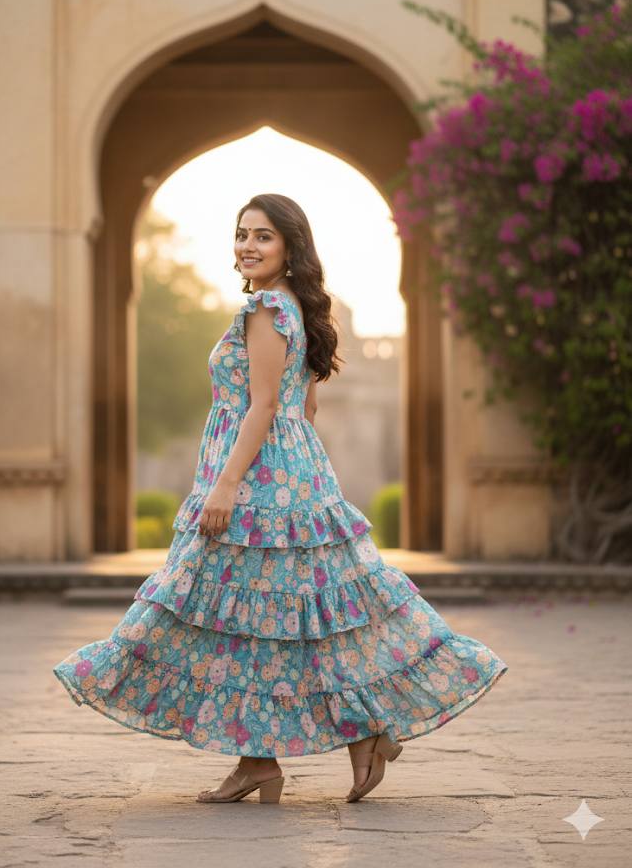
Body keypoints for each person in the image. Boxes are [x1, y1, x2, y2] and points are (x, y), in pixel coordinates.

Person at [52, 192, 508, 804]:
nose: (247, 246)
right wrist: (298, 481)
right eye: (242, 234)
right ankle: (299, 750)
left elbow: (263, 405)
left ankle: (294, 750)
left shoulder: (266, 309)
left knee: (223, 610)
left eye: (263, 236)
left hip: (258, 484)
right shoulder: (297, 308)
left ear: (290, 246)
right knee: (287, 621)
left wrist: (228, 482)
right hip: (293, 477)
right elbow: (304, 406)